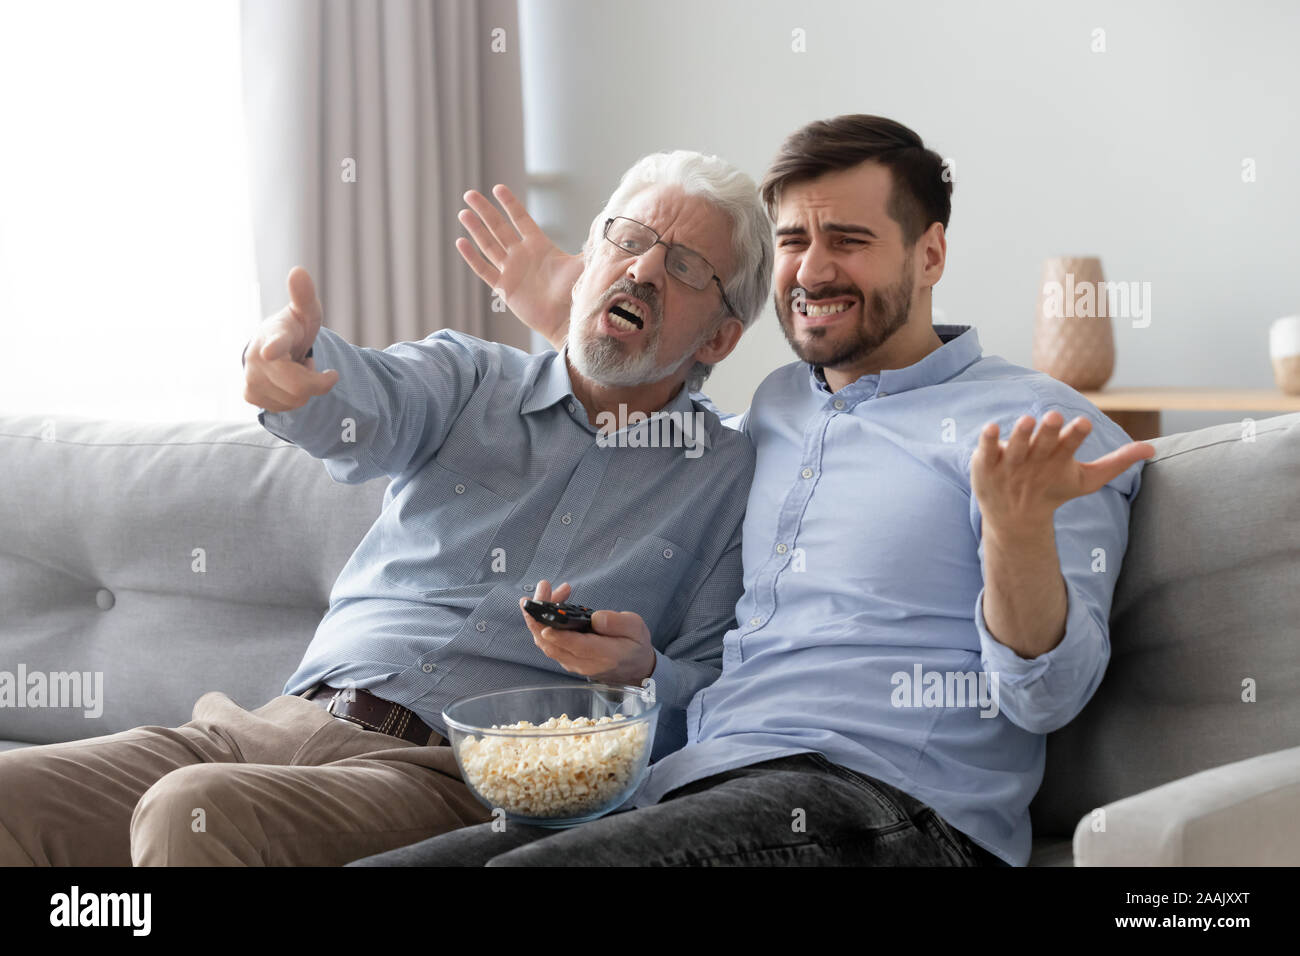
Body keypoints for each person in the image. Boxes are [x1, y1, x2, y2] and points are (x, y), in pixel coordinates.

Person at [349, 114, 1155, 868]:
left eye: (849, 240)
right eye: (796, 239)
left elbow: (1049, 698)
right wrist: (584, 323)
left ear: (931, 254)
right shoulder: (776, 409)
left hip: (894, 807)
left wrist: (1017, 536)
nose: (812, 268)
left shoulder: (1039, 429)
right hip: (695, 778)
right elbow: (644, 408)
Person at [0, 149, 773, 866]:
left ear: (720, 338)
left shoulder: (726, 480)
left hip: (450, 780)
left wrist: (641, 674)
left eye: (682, 266)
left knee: (193, 811)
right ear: (589, 259)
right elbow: (363, 403)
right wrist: (292, 365)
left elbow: (709, 697)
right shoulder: (471, 379)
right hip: (270, 726)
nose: (640, 268)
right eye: (627, 238)